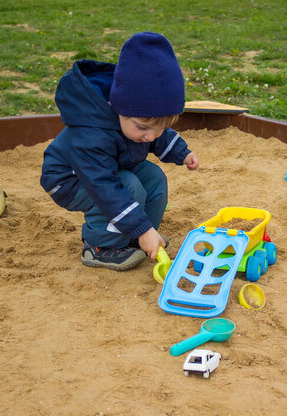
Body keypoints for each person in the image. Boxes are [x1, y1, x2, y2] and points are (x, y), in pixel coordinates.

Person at [40, 32, 199, 272]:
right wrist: (142, 228)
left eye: (160, 128)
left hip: (111, 166)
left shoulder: (139, 119)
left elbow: (157, 134)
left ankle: (135, 237)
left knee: (154, 177)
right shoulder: (93, 132)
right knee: (128, 186)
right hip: (69, 179)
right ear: (120, 109)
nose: (150, 137)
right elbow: (103, 185)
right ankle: (99, 247)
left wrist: (181, 152)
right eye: (143, 128)